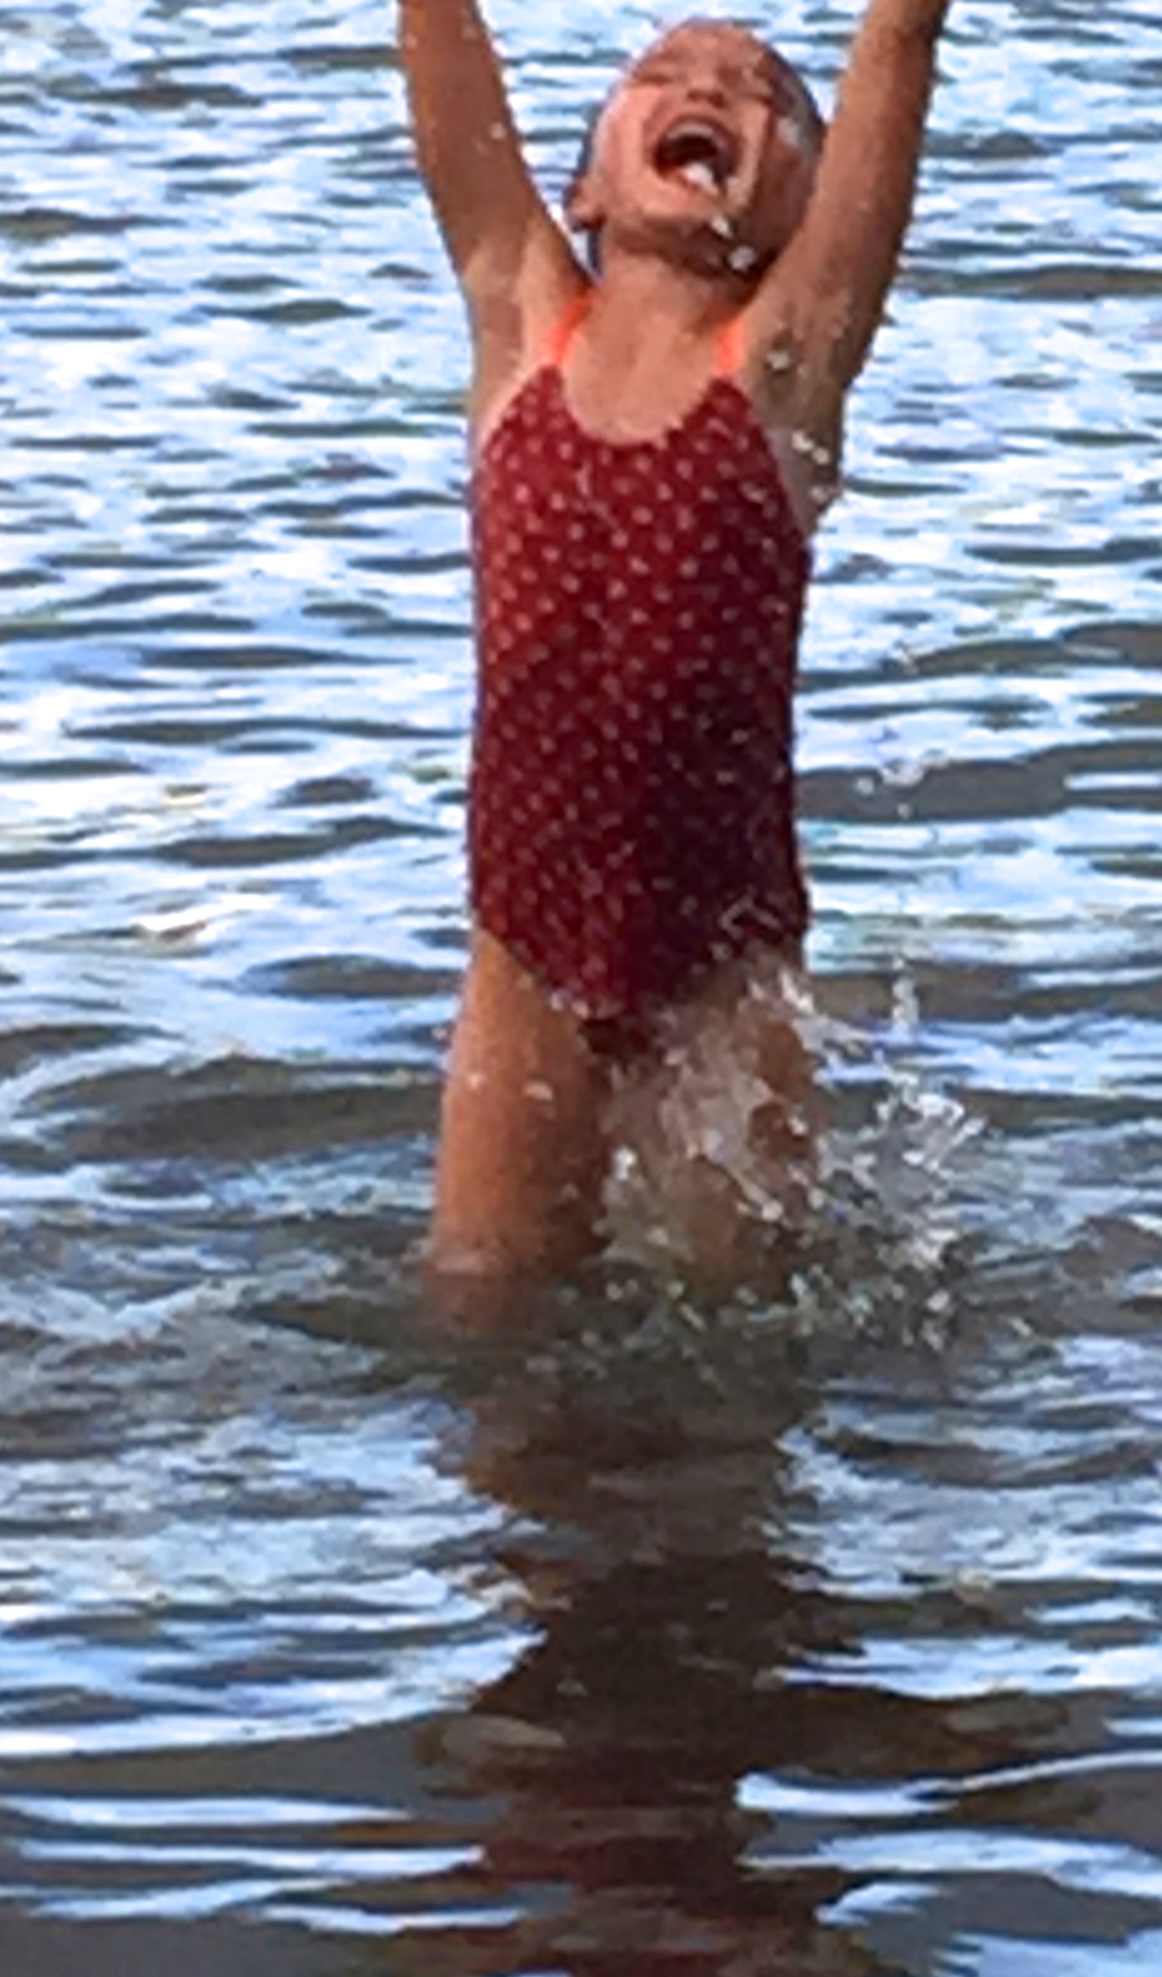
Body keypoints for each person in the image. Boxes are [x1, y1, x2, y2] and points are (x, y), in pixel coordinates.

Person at [397, 0, 950, 1303]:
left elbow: (900, 42)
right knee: (478, 1312)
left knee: (741, 1348)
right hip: (523, 956)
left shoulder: (783, 367)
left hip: (722, 972)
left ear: (806, 211)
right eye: (665, 70)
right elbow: (439, 48)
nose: (713, 86)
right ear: (585, 186)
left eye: (765, 96)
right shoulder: (521, 322)